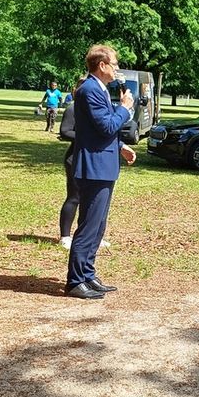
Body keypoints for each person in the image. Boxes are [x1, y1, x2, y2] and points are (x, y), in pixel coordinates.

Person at [65, 45, 135, 300]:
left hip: (104, 166)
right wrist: (125, 108)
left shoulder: (100, 89)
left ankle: (88, 274)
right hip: (94, 168)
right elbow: (106, 126)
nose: (117, 69)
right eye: (114, 64)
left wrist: (121, 146)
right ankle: (75, 281)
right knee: (89, 225)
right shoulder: (90, 89)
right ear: (102, 65)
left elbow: (99, 130)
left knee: (98, 225)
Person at [58, 79, 135, 250]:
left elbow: (107, 129)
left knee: (96, 203)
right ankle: (65, 236)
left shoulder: (98, 109)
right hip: (76, 157)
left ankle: (95, 236)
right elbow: (64, 131)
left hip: (95, 158)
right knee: (74, 197)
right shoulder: (72, 108)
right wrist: (87, 137)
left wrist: (120, 145)